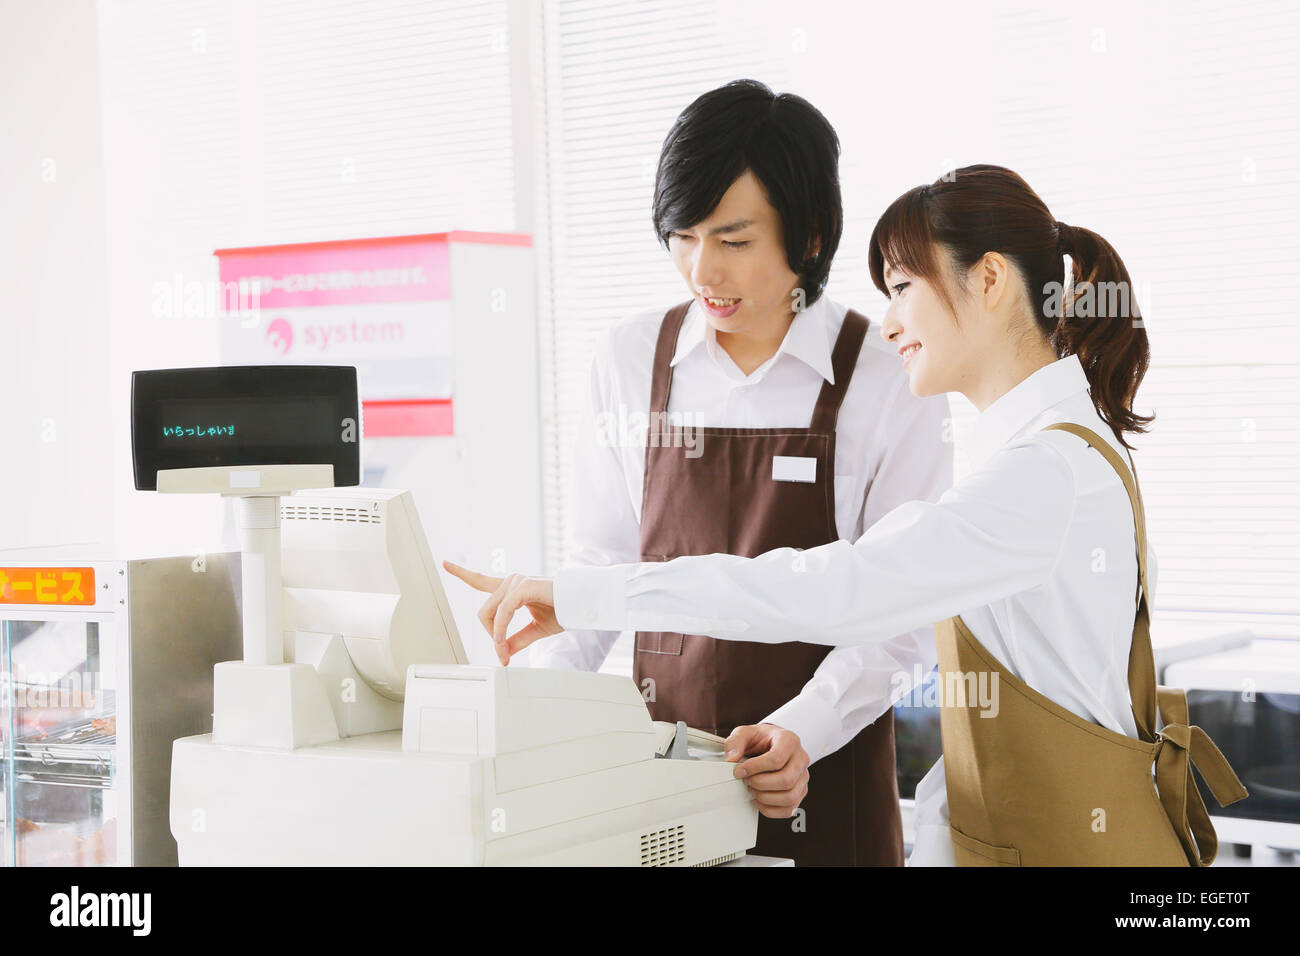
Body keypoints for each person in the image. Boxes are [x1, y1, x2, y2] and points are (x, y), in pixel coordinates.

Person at [447, 163, 1249, 866]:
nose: (892, 323)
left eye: (904, 288)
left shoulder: (1041, 477)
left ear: (991, 281)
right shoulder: (1055, 453)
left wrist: (583, 594)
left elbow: (831, 589)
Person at [483, 80, 952, 867]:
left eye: (733, 240)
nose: (703, 270)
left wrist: (804, 728)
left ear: (809, 234)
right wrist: (535, 717)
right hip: (658, 786)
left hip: (823, 783)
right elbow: (602, 570)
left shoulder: (888, 372)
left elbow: (902, 614)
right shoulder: (631, 361)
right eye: (683, 235)